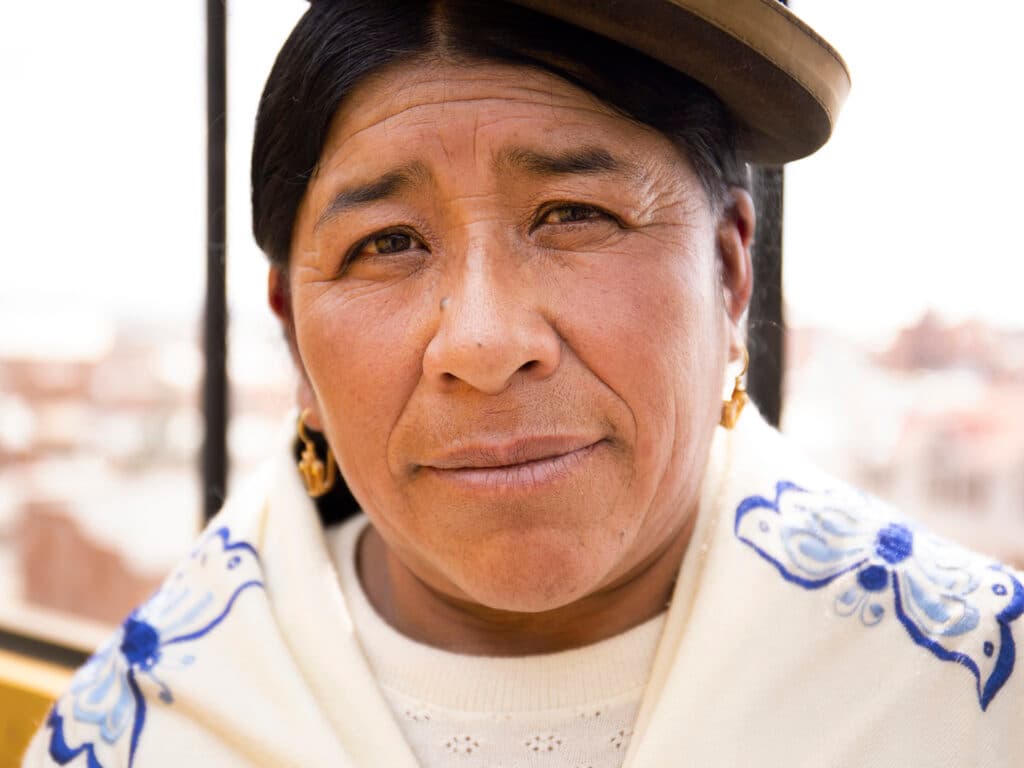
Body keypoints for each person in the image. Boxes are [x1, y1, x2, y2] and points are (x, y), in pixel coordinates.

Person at [23, 1, 1024, 766]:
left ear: (727, 273)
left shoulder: (971, 692)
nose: (487, 341)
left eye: (572, 214)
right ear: (293, 339)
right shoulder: (140, 734)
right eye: (387, 242)